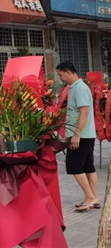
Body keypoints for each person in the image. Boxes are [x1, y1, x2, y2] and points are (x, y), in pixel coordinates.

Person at [56, 61, 98, 212]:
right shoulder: (75, 87)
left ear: (68, 72)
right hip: (86, 134)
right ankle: (93, 198)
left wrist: (76, 135)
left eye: (60, 75)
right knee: (88, 167)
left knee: (74, 166)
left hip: (81, 135)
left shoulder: (79, 88)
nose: (60, 78)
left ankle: (90, 198)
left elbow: (84, 113)